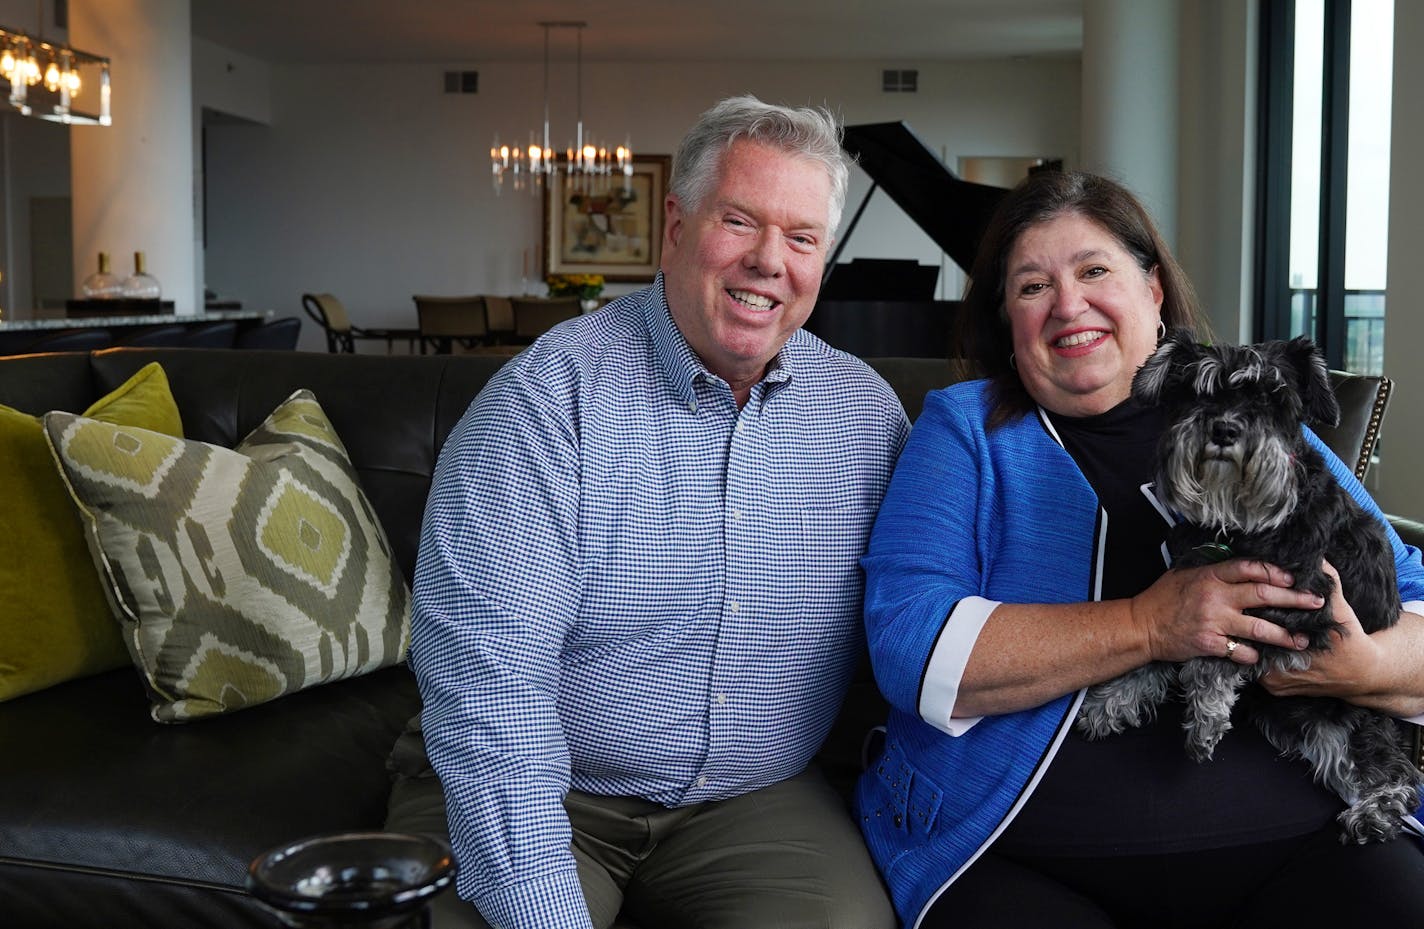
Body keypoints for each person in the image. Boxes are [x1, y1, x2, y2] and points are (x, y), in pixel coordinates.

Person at [854, 169, 1424, 929]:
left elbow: (1416, 593)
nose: (1067, 304)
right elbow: (907, 642)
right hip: (1026, 852)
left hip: (1307, 837)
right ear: (1005, 318)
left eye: (1094, 270)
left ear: (1153, 291)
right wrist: (1150, 624)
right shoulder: (965, 430)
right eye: (1031, 286)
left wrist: (1366, 666)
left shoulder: (1264, 424)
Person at [391, 95, 907, 929]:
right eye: (739, 221)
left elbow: (931, 611)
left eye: (802, 237)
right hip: (544, 782)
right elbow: (492, 690)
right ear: (676, 225)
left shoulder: (866, 415)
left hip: (754, 800)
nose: (770, 261)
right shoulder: (545, 403)